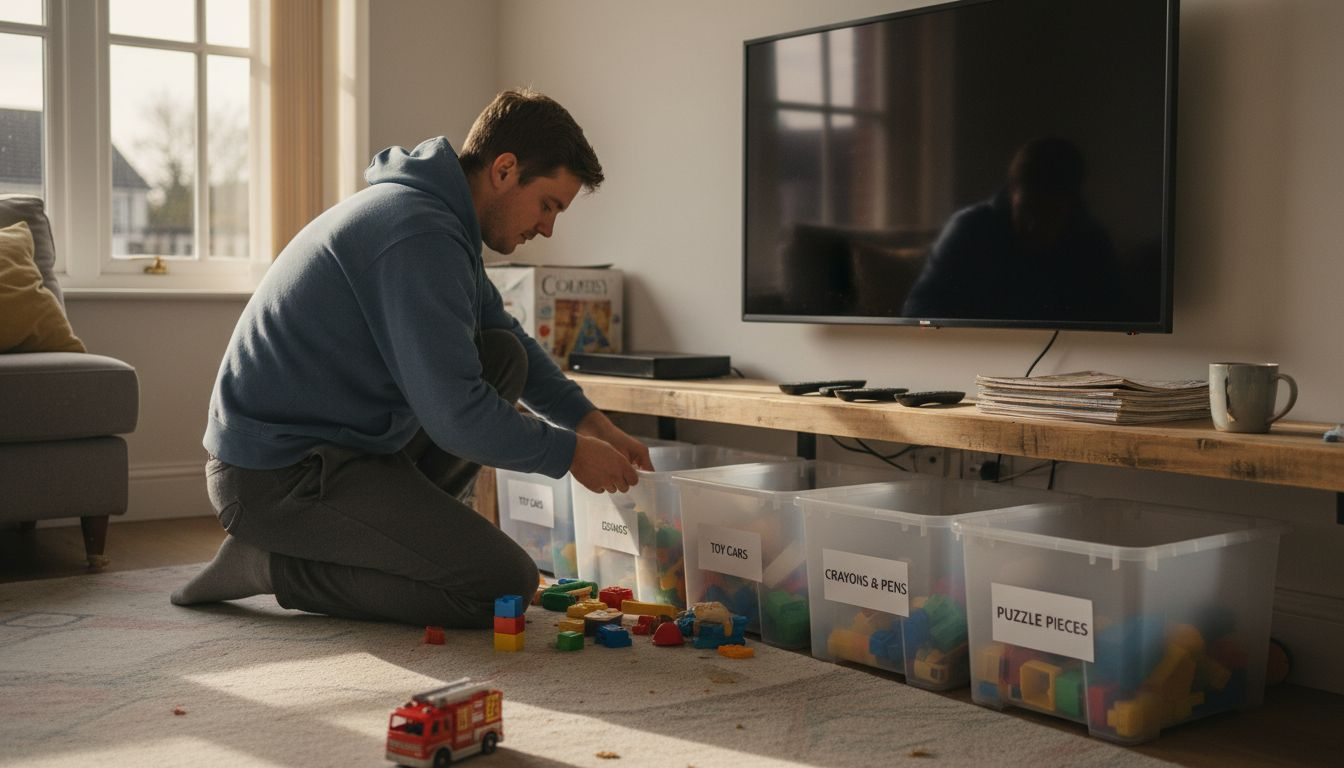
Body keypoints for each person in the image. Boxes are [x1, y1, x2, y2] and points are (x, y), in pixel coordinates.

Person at [171, 89, 652, 628]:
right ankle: (273, 564)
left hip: (342, 450)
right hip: (276, 477)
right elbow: (457, 417)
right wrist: (570, 454)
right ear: (504, 170)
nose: (547, 228)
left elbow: (505, 336)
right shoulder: (419, 234)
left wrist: (593, 424)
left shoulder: (441, 223)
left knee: (502, 355)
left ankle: (401, 540)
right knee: (500, 586)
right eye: (548, 205)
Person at [901, 137, 1118, 321]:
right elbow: (918, 308)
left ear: (1072, 206)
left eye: (1049, 212)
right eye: (1027, 209)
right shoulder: (969, 229)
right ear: (1012, 193)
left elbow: (1112, 314)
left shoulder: (1091, 242)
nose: (1033, 224)